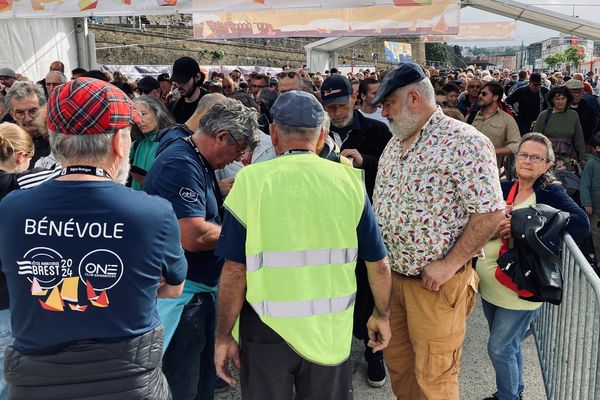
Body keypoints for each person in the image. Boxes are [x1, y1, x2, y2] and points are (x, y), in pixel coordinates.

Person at [0, 78, 187, 399]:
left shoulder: (13, 207)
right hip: (128, 382)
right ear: (119, 142)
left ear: (54, 141)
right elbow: (173, 287)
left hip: (36, 382)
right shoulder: (153, 212)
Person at [214, 90, 392, 399]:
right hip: (329, 331)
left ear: (273, 133)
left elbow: (234, 271)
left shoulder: (251, 181)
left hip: (265, 330)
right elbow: (378, 263)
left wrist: (222, 335)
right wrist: (382, 315)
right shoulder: (349, 181)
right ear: (322, 135)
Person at [372, 63, 505, 400]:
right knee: (401, 370)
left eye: (388, 104)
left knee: (435, 379)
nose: (384, 112)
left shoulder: (465, 142)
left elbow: (490, 212)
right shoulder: (395, 144)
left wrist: (449, 264)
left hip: (435, 286)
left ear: (413, 98)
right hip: (394, 282)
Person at [144, 99, 259, 400]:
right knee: (183, 383)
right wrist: (253, 235)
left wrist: (217, 192)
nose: (237, 159)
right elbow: (192, 235)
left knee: (200, 381)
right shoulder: (181, 163)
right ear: (222, 136)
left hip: (197, 292)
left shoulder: (195, 159)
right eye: (239, 150)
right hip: (183, 297)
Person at [478, 132, 590, 400]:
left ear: (547, 164)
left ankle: (509, 397)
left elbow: (580, 223)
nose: (528, 160)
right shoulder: (506, 188)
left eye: (536, 157)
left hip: (522, 285)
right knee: (510, 345)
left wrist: (521, 224)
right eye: (524, 154)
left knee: (499, 348)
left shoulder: (550, 191)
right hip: (492, 283)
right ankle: (514, 390)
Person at [321, 73, 392, 387]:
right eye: (330, 106)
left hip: (367, 219)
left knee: (367, 286)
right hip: (329, 224)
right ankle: (335, 352)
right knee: (334, 286)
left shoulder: (376, 130)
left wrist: (366, 161)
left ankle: (372, 350)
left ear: (353, 98)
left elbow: (394, 168)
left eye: (340, 104)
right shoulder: (317, 134)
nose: (337, 112)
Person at [129, 95, 175, 190]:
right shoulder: (136, 144)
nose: (139, 121)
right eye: (136, 116)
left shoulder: (172, 144)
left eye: (143, 114)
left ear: (157, 112)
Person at [532, 86, 586, 165]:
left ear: (567, 99)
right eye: (557, 99)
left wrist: (582, 158)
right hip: (547, 158)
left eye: (563, 98)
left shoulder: (573, 115)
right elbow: (535, 138)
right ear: (552, 100)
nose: (560, 101)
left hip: (568, 158)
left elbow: (579, 138)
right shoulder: (544, 115)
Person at [5, 81, 50, 167]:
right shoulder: (5, 142)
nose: (28, 118)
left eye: (33, 111)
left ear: (43, 108)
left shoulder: (57, 137)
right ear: (12, 114)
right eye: (20, 113)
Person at [581, 132, 600, 259]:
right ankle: (598, 259)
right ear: (598, 148)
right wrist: (587, 202)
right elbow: (584, 184)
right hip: (595, 205)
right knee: (596, 233)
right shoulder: (592, 163)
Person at [171, 57, 206, 124]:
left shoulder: (210, 104)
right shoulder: (174, 107)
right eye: (177, 81)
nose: (179, 86)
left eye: (183, 81)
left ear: (197, 77)